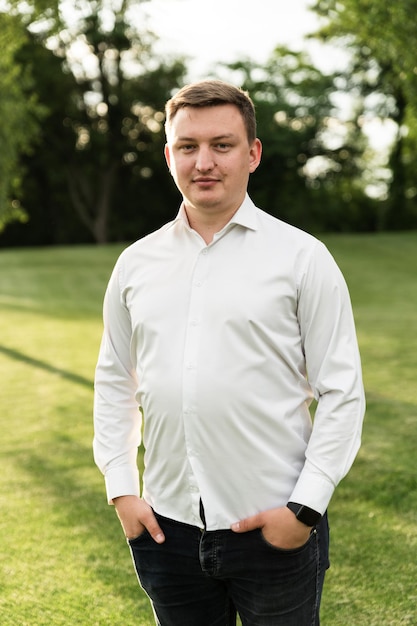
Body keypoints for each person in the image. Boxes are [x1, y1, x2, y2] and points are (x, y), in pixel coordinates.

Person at [93, 79, 365, 626]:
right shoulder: (136, 263)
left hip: (275, 529)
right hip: (166, 530)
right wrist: (123, 490)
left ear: (253, 153)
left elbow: (343, 391)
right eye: (188, 147)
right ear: (169, 155)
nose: (204, 162)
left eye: (222, 145)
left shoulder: (302, 258)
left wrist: (304, 510)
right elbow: (115, 382)